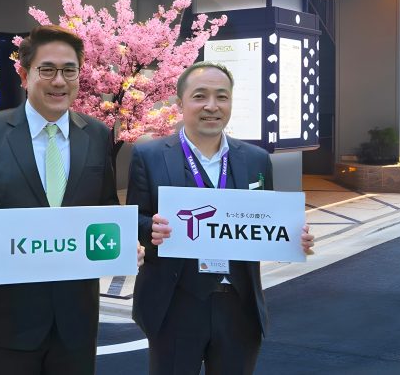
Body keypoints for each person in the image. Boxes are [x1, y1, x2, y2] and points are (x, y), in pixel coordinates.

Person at [0, 25, 127, 375]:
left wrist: (122, 239)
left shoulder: (97, 134)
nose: (59, 81)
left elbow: (106, 203)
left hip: (77, 314)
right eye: (47, 69)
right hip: (10, 310)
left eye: (69, 70)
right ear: (24, 75)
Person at [127, 61, 315, 375]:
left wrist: (294, 237)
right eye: (200, 96)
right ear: (180, 103)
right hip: (174, 303)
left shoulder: (256, 159)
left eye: (222, 97)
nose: (212, 106)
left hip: (238, 304)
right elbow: (136, 218)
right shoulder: (149, 155)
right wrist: (151, 230)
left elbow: (265, 222)